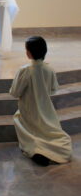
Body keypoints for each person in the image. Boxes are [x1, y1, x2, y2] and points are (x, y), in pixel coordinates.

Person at [9, 36, 72, 166]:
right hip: (46, 110)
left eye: (27, 49)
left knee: (19, 120)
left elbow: (15, 92)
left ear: (29, 53)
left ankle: (35, 150)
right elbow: (53, 90)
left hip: (28, 110)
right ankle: (50, 149)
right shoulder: (49, 69)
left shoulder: (25, 71)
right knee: (56, 134)